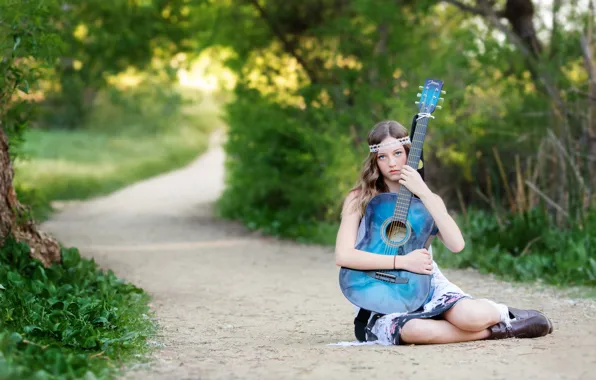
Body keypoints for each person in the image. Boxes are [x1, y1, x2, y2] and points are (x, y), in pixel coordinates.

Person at [334, 119, 553, 345]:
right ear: (374, 160)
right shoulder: (359, 198)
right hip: (379, 291)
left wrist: (425, 194)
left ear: (410, 153)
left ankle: (504, 314)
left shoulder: (427, 200)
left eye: (398, 153)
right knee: (414, 332)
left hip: (425, 283)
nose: (392, 163)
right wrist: (402, 261)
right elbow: (344, 255)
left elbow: (457, 245)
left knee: (472, 317)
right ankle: (503, 330)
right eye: (383, 156)